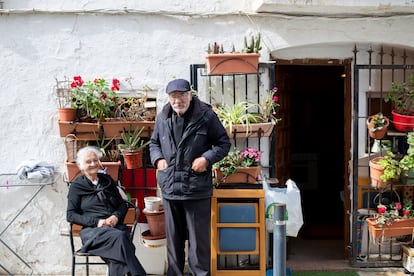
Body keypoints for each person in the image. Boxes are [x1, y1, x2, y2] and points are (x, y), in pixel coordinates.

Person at [149, 78, 231, 276]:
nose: (178, 100)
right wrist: (158, 159)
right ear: (169, 98)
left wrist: (206, 158)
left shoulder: (206, 115)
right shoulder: (163, 117)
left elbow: (223, 143)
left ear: (190, 95)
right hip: (170, 187)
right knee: (173, 239)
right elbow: (154, 143)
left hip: (196, 188)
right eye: (174, 96)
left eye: (182, 95)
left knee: (198, 242)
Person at [66, 146, 146, 276]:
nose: (93, 164)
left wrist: (115, 216)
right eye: (88, 161)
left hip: (115, 228)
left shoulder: (107, 181)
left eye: (95, 160)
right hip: (93, 233)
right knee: (121, 237)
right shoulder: (77, 186)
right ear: (81, 165)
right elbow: (70, 215)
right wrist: (97, 222)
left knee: (117, 253)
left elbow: (122, 205)